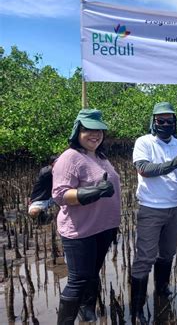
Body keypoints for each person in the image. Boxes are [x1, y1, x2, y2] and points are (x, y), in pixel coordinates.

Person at [52, 109, 121, 324]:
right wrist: (93, 192)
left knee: (92, 274)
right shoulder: (70, 157)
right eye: (88, 130)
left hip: (104, 228)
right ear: (77, 132)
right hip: (80, 231)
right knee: (78, 280)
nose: (95, 134)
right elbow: (60, 195)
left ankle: (87, 309)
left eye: (99, 130)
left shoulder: (100, 155)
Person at [130, 102, 177, 324]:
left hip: (175, 207)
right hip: (151, 207)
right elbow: (145, 170)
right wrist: (173, 163)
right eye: (161, 121)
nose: (165, 124)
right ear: (153, 122)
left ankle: (162, 290)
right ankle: (137, 308)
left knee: (167, 253)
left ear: (175, 123)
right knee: (144, 258)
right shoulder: (144, 142)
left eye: (169, 121)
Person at [28, 154, 58, 219]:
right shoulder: (46, 171)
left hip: (54, 198)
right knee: (33, 212)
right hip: (41, 200)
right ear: (52, 164)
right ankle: (41, 213)